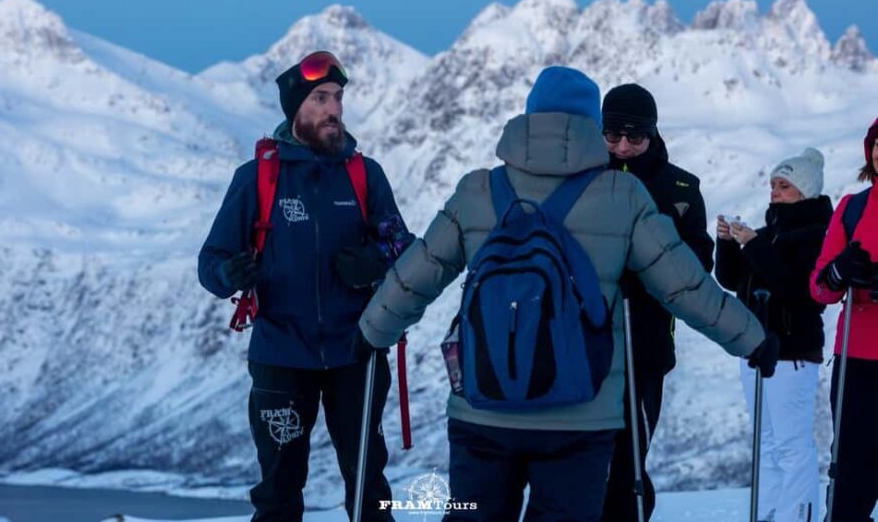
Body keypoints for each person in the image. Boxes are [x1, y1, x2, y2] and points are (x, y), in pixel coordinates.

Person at [357, 66, 778, 521]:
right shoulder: (624, 195)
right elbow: (687, 286)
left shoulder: (478, 190)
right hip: (580, 415)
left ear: (529, 118)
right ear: (590, 126)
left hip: (483, 407)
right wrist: (752, 338)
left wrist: (369, 332)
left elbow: (417, 273)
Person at [198, 51, 406, 522]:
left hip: (357, 352)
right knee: (278, 491)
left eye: (337, 97)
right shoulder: (257, 179)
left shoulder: (364, 174)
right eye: (321, 98)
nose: (334, 108)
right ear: (296, 108)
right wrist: (226, 276)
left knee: (368, 486)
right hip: (279, 356)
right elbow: (209, 261)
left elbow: (402, 247)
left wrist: (374, 261)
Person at [599, 83, 715, 522]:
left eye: (635, 137)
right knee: (581, 461)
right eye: (612, 136)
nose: (623, 147)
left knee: (629, 460)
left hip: (644, 345)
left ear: (652, 133)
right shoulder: (584, 178)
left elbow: (701, 264)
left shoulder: (679, 187)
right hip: (583, 344)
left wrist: (656, 250)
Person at [715, 147, 832, 522]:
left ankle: (799, 515)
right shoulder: (769, 235)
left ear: (805, 190)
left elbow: (794, 284)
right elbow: (733, 280)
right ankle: (767, 513)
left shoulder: (816, 237)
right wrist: (728, 245)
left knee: (790, 442)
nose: (775, 192)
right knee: (766, 442)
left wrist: (752, 244)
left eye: (784, 186)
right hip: (758, 350)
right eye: (773, 185)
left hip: (792, 351)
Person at [810, 118, 878, 521]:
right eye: (875, 145)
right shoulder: (852, 208)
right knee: (851, 478)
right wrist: (839, 271)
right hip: (856, 361)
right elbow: (819, 288)